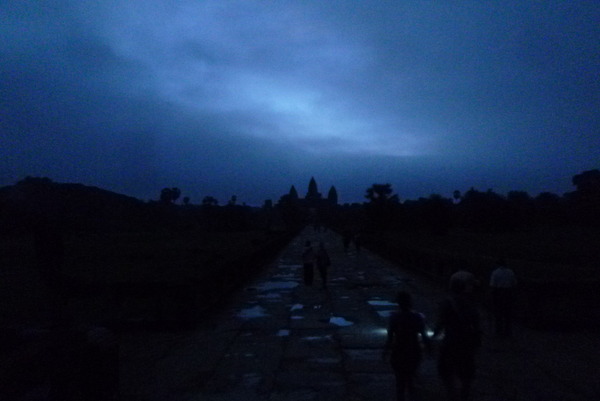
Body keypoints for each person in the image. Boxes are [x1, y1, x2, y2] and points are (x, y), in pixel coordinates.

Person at [433, 278, 482, 401]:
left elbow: (441, 322)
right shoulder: (471, 303)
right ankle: (464, 394)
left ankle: (452, 394)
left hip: (451, 340)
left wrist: (434, 336)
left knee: (446, 370)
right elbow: (477, 323)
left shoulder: (447, 303)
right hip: (466, 341)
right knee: (466, 372)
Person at [382, 291, 431, 401]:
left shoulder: (395, 317)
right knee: (410, 379)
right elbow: (424, 335)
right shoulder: (417, 317)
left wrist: (385, 351)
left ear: (399, 303)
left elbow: (390, 337)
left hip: (399, 350)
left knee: (400, 382)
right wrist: (429, 348)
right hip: (414, 350)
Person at [489, 258, 517, 337]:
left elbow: (492, 285)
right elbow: (514, 283)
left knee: (498, 313)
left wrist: (491, 295)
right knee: (508, 313)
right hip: (508, 293)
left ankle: (499, 330)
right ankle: (508, 331)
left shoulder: (495, 272)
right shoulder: (510, 272)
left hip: (498, 293)